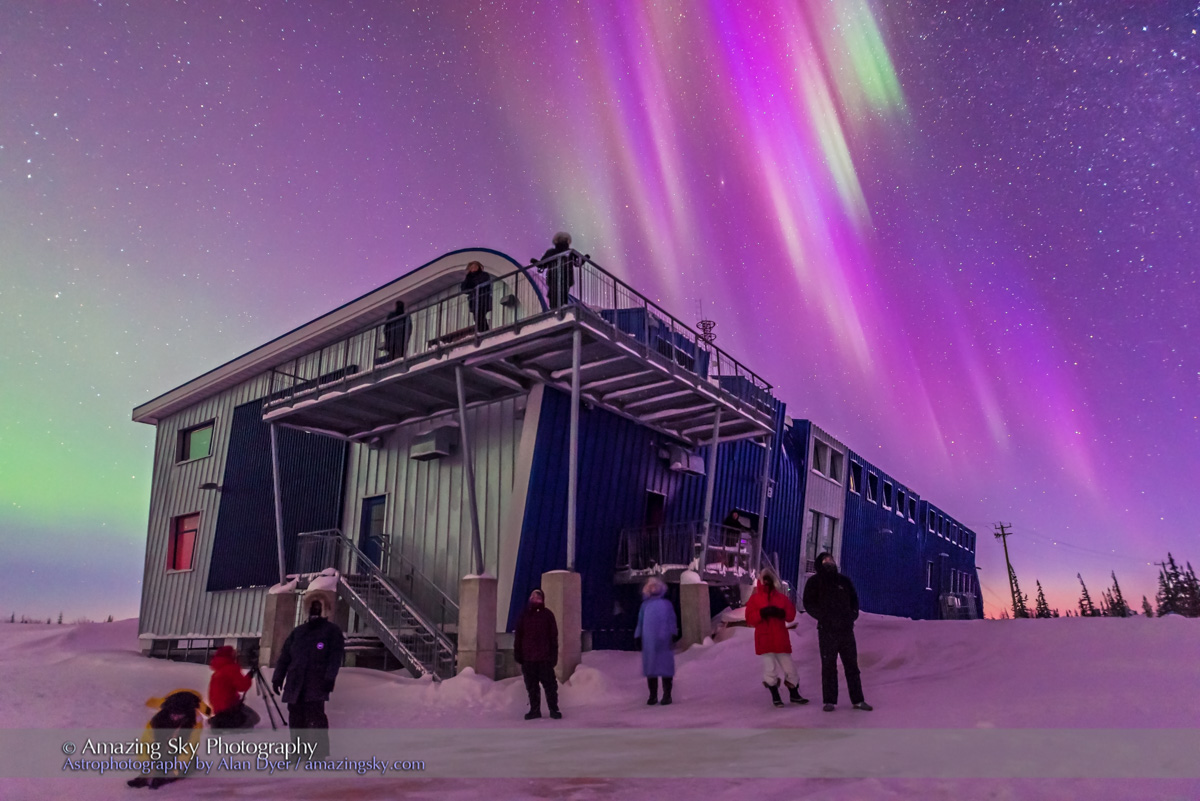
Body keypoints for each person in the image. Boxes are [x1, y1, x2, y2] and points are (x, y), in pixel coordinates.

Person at [272, 599, 345, 758]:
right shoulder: (298, 632)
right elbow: (285, 657)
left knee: (315, 718)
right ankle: (298, 751)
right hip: (295, 683)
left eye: (318, 607)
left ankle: (318, 753)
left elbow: (335, 657)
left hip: (316, 683)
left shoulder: (331, 631)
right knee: (296, 718)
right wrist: (278, 677)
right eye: (312, 607)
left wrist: (329, 678)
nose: (315, 611)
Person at [802, 551, 872, 712]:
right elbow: (808, 603)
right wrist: (823, 616)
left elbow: (854, 601)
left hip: (846, 630)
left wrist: (852, 615)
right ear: (820, 564)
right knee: (829, 666)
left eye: (831, 559)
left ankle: (858, 700)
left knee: (852, 665)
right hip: (827, 631)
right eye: (825, 560)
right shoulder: (815, 582)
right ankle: (829, 701)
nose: (829, 562)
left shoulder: (844, 581)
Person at [744, 571, 808, 707]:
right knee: (770, 670)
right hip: (764, 640)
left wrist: (781, 613)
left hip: (780, 639)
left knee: (790, 669)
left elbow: (791, 615)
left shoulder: (781, 598)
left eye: (769, 579)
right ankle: (775, 696)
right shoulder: (755, 599)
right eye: (765, 579)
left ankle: (794, 694)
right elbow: (749, 618)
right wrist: (762, 613)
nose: (767, 582)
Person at [126, 689, 210, 789]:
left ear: (188, 714)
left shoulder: (195, 724)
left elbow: (189, 748)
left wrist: (175, 771)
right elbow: (146, 743)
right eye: (173, 714)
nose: (175, 718)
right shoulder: (157, 721)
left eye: (179, 715)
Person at [513, 588, 561, 720]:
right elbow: (519, 636)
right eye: (533, 596)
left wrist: (553, 656)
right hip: (528, 659)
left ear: (542, 599)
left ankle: (554, 709)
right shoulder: (524, 615)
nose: (535, 599)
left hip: (545, 659)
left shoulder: (548, 615)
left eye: (538, 597)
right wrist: (518, 653)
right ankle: (534, 710)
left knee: (550, 686)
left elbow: (553, 638)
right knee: (532, 687)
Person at [634, 576, 678, 705]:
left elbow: (672, 619)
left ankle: (667, 695)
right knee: (651, 669)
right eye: (651, 586)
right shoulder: (645, 606)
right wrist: (638, 636)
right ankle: (653, 695)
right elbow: (640, 622)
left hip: (663, 640)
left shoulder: (666, 604)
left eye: (656, 586)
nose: (654, 588)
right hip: (650, 641)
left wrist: (673, 633)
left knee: (665, 668)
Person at [207, 645, 260, 730]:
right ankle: (224, 724)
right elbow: (243, 686)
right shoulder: (231, 669)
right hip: (230, 706)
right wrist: (249, 677)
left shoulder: (218, 671)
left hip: (218, 708)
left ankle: (220, 720)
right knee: (254, 719)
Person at [538, 231, 576, 309]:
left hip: (560, 279)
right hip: (559, 279)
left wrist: (539, 264)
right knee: (557, 296)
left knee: (560, 296)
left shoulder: (568, 252)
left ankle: (558, 310)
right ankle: (557, 310)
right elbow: (542, 264)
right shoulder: (569, 252)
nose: (563, 241)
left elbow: (542, 264)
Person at [461, 260, 493, 333]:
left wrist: (475, 287)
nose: (474, 268)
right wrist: (471, 286)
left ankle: (485, 332)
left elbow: (485, 284)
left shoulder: (484, 275)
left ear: (479, 267)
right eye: (472, 267)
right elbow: (464, 289)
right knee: (476, 317)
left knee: (481, 316)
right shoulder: (468, 278)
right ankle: (482, 332)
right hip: (474, 300)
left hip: (483, 299)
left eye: (475, 266)